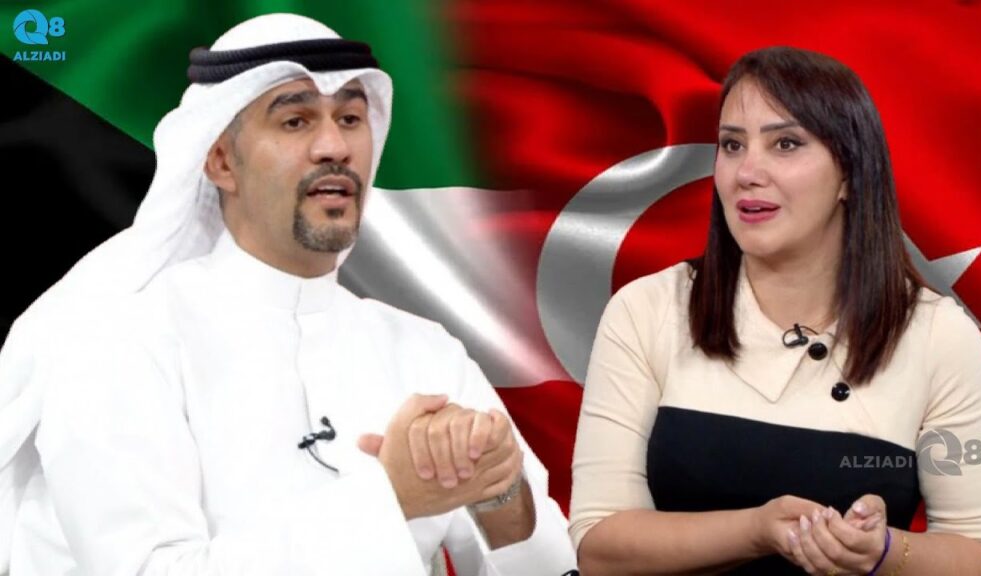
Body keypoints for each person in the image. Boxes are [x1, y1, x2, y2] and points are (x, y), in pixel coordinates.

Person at [0, 13, 577, 576]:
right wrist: (391, 498)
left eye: (350, 118)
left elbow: (554, 569)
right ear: (221, 161)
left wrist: (501, 491)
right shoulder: (118, 339)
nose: (335, 146)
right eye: (296, 121)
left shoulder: (423, 351)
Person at [569, 46, 981, 575]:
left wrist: (886, 551)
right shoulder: (647, 309)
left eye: (785, 144)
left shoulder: (940, 337)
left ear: (849, 173)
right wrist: (756, 530)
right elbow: (599, 547)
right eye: (732, 145)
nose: (747, 172)